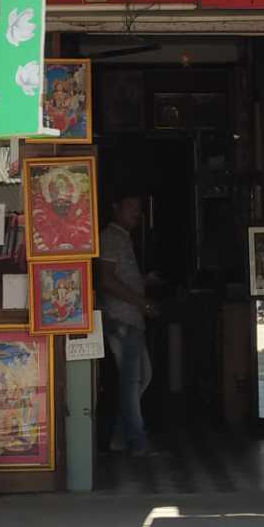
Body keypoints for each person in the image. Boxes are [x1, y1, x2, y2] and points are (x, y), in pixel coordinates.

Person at [98, 193, 160, 456]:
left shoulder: (123, 238)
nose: (136, 212)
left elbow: (120, 277)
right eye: (130, 206)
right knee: (132, 381)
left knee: (142, 377)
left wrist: (144, 282)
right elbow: (106, 280)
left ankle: (120, 437)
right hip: (121, 319)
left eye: (139, 208)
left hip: (131, 318)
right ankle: (137, 441)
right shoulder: (110, 238)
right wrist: (142, 302)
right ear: (116, 207)